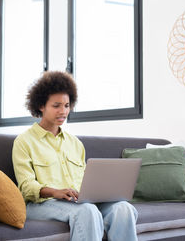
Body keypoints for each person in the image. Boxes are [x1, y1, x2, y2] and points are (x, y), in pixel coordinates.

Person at [12, 71, 138, 241]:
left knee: (124, 208)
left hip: (79, 201)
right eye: (56, 106)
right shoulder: (24, 141)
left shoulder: (75, 143)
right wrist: (55, 192)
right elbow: (26, 187)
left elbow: (87, 179)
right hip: (43, 204)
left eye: (66, 105)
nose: (63, 111)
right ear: (41, 106)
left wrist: (97, 191)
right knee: (87, 211)